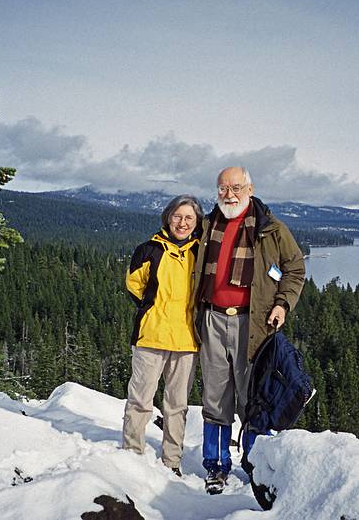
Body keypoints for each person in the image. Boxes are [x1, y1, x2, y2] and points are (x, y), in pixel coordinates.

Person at [193, 166, 305, 494]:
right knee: (215, 396)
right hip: (213, 318)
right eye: (223, 188)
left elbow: (294, 267)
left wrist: (283, 303)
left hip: (252, 323)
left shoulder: (271, 228)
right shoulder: (207, 224)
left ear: (250, 189)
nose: (229, 194)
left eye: (236, 187)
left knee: (253, 398)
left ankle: (257, 467)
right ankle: (215, 465)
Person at [122, 194, 204, 477]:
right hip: (151, 337)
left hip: (186, 340)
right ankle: (132, 453)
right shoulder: (148, 249)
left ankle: (172, 460)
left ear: (196, 222)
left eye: (189, 218)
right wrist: (151, 308)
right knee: (141, 399)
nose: (182, 223)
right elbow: (134, 284)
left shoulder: (201, 253)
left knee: (177, 405)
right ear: (168, 218)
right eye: (177, 216)